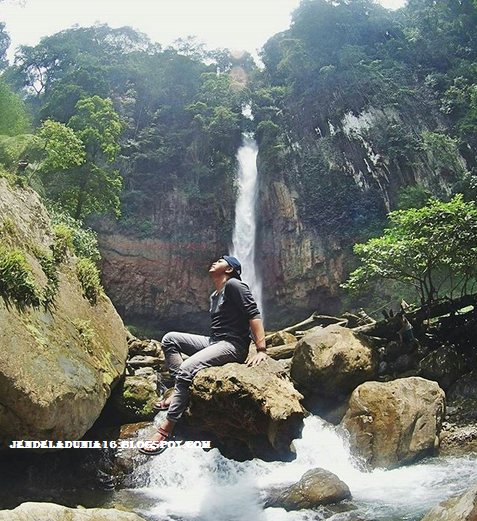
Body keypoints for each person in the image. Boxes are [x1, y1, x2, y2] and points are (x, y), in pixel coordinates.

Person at [139, 255, 267, 456]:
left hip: (232, 345)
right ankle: (177, 391)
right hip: (214, 341)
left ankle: (167, 429)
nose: (216, 261)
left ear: (230, 269)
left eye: (222, 260)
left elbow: (253, 314)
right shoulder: (215, 295)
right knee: (170, 339)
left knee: (187, 368)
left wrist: (261, 350)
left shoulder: (235, 285)